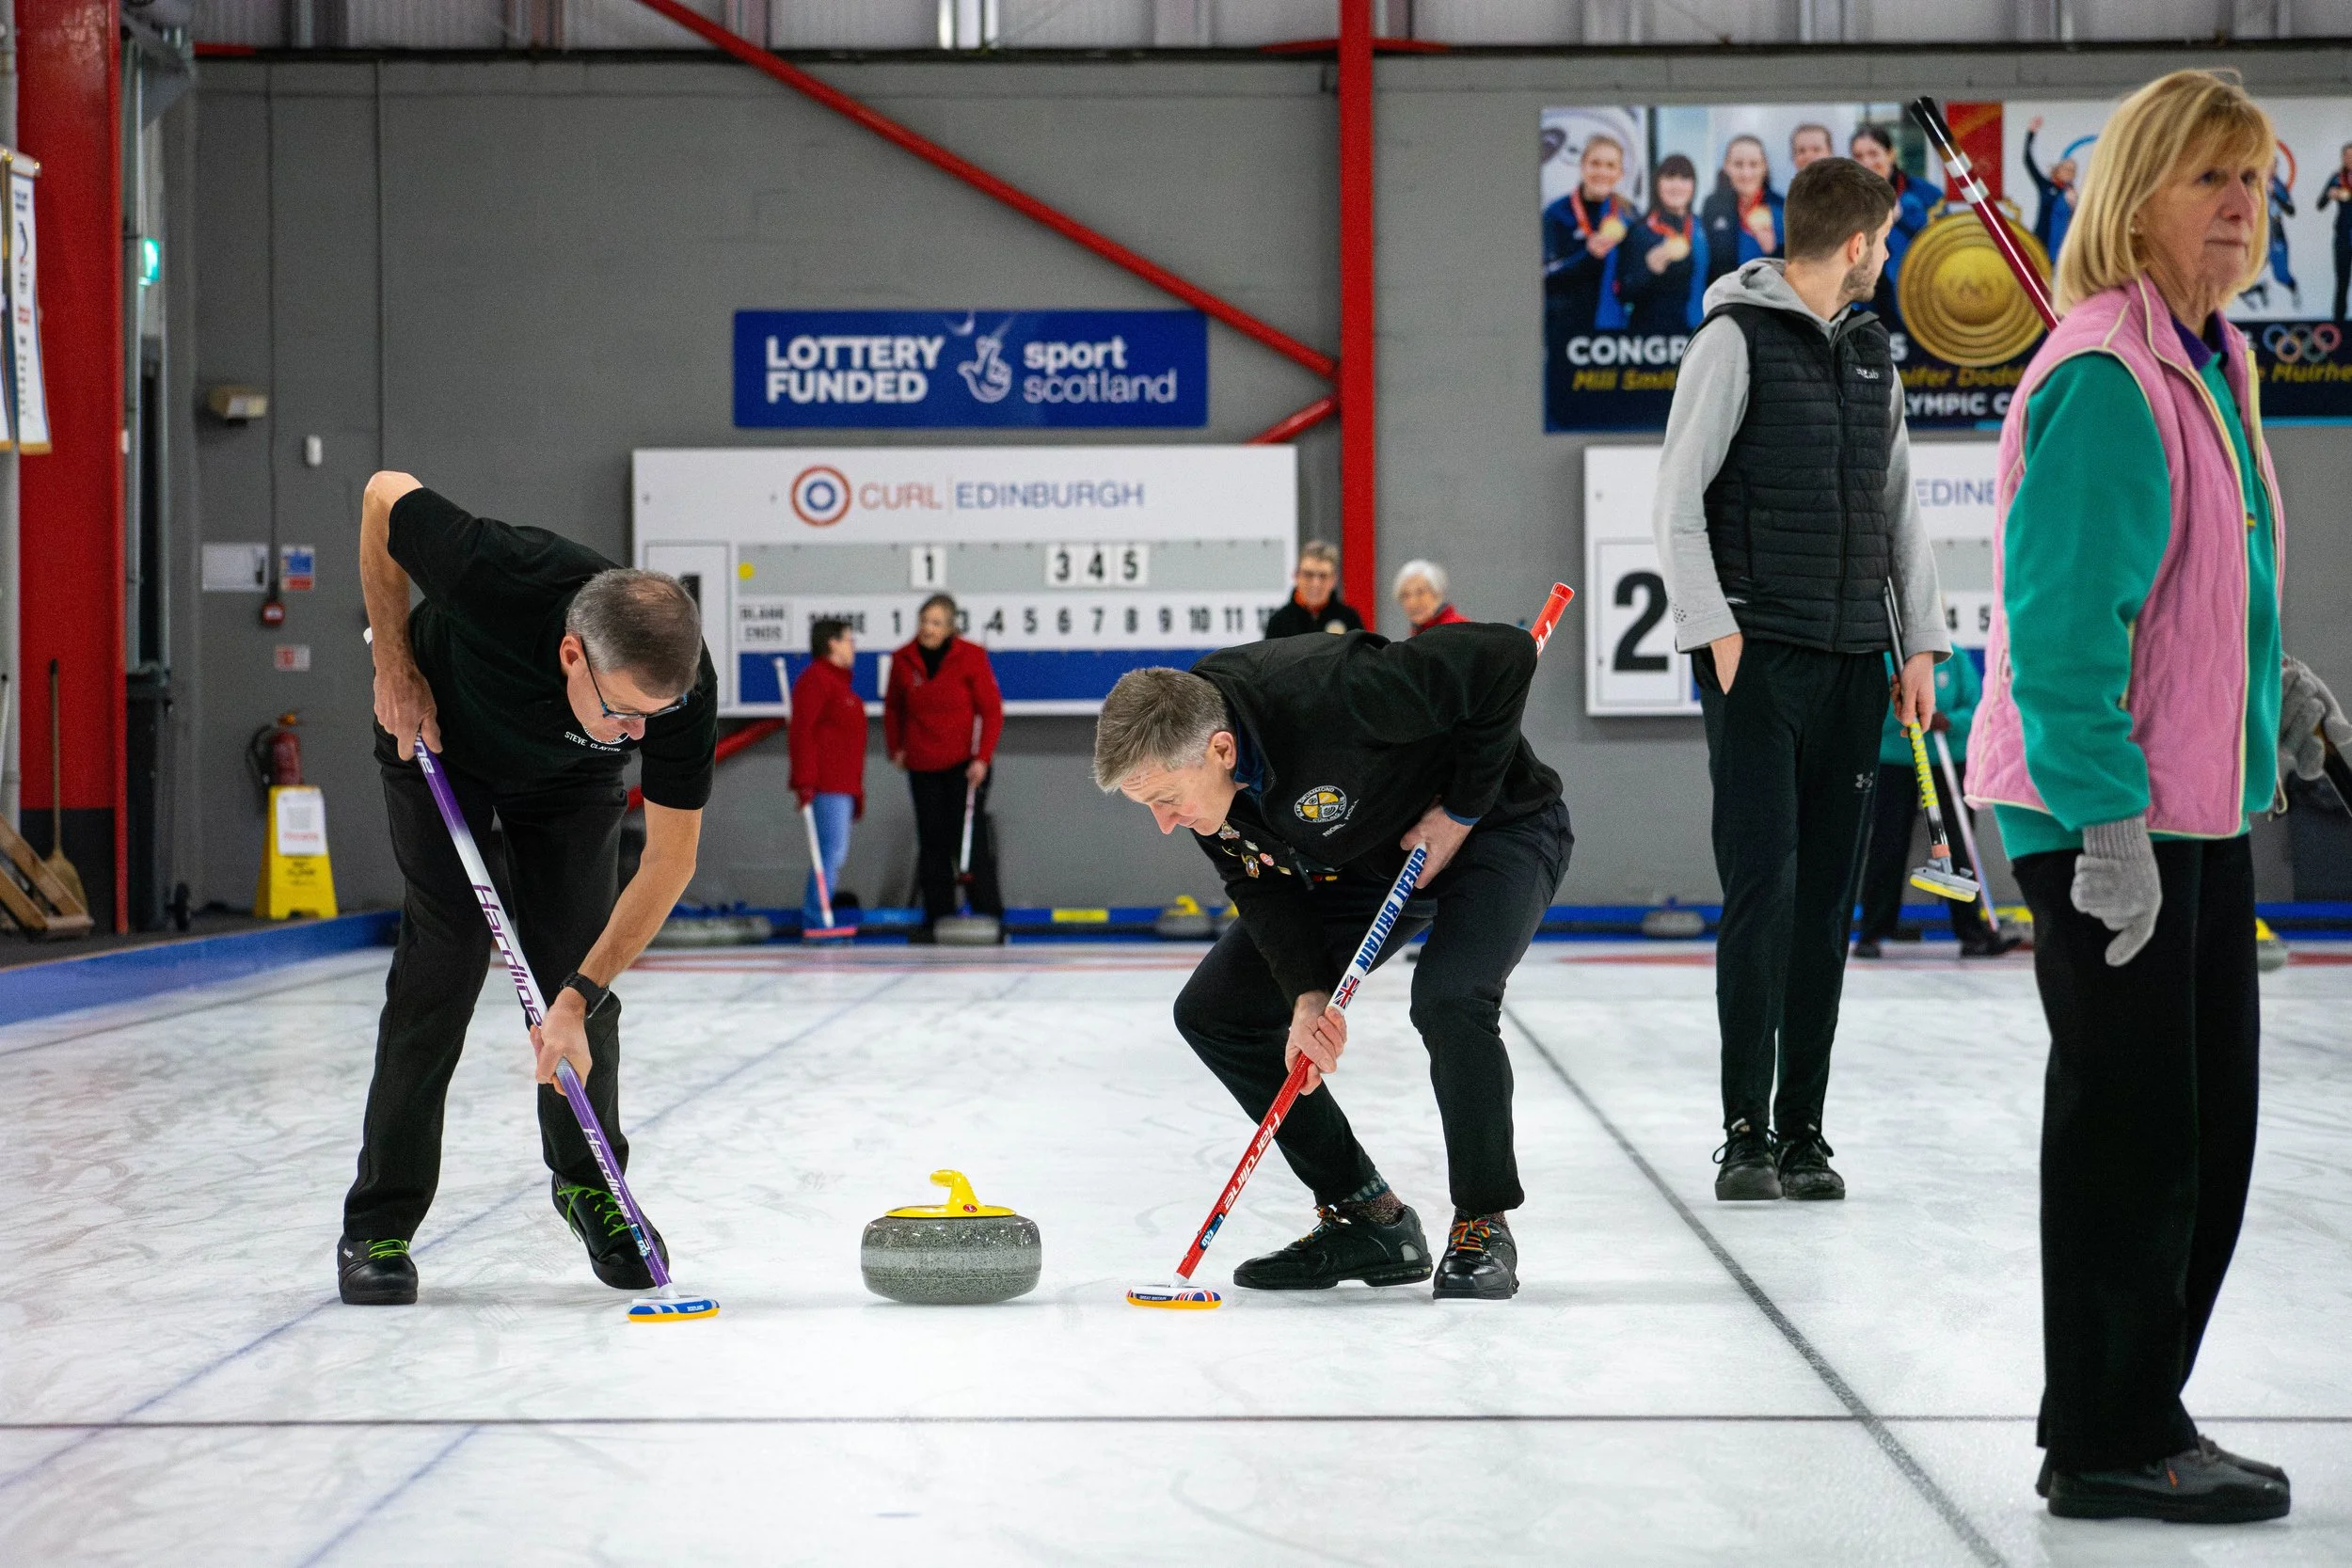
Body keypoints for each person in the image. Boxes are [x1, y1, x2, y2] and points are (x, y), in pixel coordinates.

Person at [1966, 70, 2344, 1524]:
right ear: (2136, 197)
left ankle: (2128, 1410)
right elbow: (2064, 628)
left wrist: (2280, 693)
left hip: (2191, 799)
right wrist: (2107, 829)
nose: (2242, 206)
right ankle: (2115, 1431)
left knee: (2206, 1128)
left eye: (2255, 180)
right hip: (2107, 815)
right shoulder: (2109, 377)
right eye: (2210, 179)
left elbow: (2197, 591)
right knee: (2137, 1129)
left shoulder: (2207, 359)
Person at [1092, 629, 1573, 1301]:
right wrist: (1306, 996)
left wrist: (1460, 809)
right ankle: (1369, 1216)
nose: (1165, 823)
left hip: (1496, 822)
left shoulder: (1332, 689)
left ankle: (1482, 1223)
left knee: (1450, 995)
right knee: (1216, 1011)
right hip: (1363, 858)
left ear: (1221, 749)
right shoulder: (1206, 771)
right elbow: (1259, 881)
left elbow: (1505, 658)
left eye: (1166, 800)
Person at [340, 471, 716, 1307]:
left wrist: (579, 993)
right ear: (573, 654)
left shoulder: (675, 693)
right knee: (445, 955)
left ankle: (592, 1189)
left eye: (653, 718)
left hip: (569, 782)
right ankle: (379, 1219)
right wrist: (395, 667)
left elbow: (670, 859)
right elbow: (380, 494)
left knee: (579, 967)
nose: (640, 734)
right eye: (622, 713)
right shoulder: (497, 572)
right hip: (442, 735)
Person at [1652, 156, 1947, 1206]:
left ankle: (1804, 1131)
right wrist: (1716, 636)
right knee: (1763, 894)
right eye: (1885, 239)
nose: (1885, 255)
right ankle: (1743, 1131)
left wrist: (1917, 645)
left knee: (1823, 904)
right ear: (1860, 242)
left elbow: (1900, 512)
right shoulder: (1731, 339)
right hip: (1758, 664)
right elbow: (1675, 499)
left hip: (1853, 662)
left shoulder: (1875, 358)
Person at [1850, 650, 2015, 958]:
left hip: (1945, 764)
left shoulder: (1954, 658)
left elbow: (1976, 706)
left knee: (1951, 845)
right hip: (1897, 763)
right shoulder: (1889, 659)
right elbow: (1872, 710)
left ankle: (1972, 933)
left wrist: (1949, 721)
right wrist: (1904, 709)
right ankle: (1872, 933)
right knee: (1888, 845)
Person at [885, 593, 1005, 936]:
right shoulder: (903, 659)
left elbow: (992, 710)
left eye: (936, 623)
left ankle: (988, 915)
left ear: (951, 627)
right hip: (923, 765)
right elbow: (894, 707)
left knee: (970, 840)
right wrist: (897, 748)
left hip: (965, 767)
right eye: (924, 621)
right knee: (932, 842)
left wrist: (982, 758)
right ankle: (937, 917)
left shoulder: (970, 657)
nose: (928, 628)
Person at [790, 617, 866, 933]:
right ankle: (816, 919)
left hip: (843, 786)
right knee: (829, 855)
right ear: (832, 643)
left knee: (834, 855)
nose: (853, 646)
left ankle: (819, 915)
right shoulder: (816, 681)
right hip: (826, 786)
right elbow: (802, 733)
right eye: (849, 638)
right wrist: (805, 781)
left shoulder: (840, 685)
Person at [1850, 123, 1934, 336]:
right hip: (1865, 307)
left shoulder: (1925, 194)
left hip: (1916, 302)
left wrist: (1901, 218)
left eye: (1873, 153)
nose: (1867, 162)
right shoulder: (1845, 199)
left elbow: (1943, 245)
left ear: (1891, 154)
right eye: (1858, 156)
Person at [1617, 153, 1708, 335]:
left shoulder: (1702, 227)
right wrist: (1648, 270)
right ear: (1657, 184)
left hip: (1698, 332)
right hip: (1653, 339)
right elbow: (1624, 292)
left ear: (1693, 186)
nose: (1677, 185)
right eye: (1669, 177)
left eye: (1684, 178)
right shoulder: (1641, 231)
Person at [1701, 134, 1784, 286]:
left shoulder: (1782, 207)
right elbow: (1704, 265)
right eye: (1738, 164)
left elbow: (1795, 270)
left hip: (1768, 304)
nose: (1746, 173)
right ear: (1727, 166)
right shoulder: (1713, 206)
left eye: (1754, 164)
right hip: (1725, 303)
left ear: (1764, 166)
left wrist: (1773, 250)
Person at [1263, 541, 1363, 638]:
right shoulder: (1279, 622)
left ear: (1333, 580)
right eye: (1308, 575)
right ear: (1296, 576)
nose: (1316, 584)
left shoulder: (1350, 619)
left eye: (1323, 576)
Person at [2023, 117, 2079, 262]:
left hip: (2061, 246)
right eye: (2066, 168)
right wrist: (2031, 133)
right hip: (2041, 241)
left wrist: (2074, 206)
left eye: (2072, 170)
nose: (2069, 172)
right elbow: (2028, 160)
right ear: (2057, 170)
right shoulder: (2046, 185)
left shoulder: (2071, 193)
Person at [2316, 142, 2352, 318]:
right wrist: (2330, 195)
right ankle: (2339, 325)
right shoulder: (2337, 178)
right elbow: (2320, 204)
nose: (2350, 160)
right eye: (2347, 156)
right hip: (2343, 236)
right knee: (2342, 281)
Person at [1392, 561, 1468, 635]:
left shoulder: (1457, 629)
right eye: (1405, 595)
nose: (1412, 602)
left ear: (1437, 593)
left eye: (1420, 592)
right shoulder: (1418, 631)